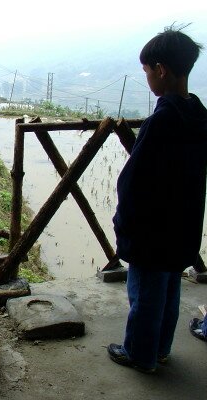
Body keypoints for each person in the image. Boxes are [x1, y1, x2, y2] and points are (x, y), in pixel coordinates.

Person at [108, 26, 207, 373]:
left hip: (152, 231)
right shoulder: (199, 115)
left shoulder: (162, 120)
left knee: (145, 296)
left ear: (161, 70)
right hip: (182, 228)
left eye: (147, 71)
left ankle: (139, 353)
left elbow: (133, 181)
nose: (148, 78)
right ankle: (161, 349)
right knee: (168, 292)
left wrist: (124, 222)